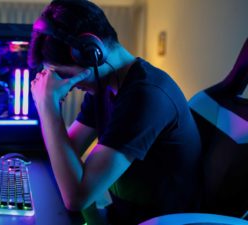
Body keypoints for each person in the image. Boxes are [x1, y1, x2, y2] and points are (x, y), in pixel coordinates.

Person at [28, 0, 202, 224]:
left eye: (64, 74)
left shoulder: (145, 96)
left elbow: (77, 197)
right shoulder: (103, 85)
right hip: (121, 215)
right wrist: (47, 105)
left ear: (93, 53)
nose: (66, 85)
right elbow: (65, 151)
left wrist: (48, 108)